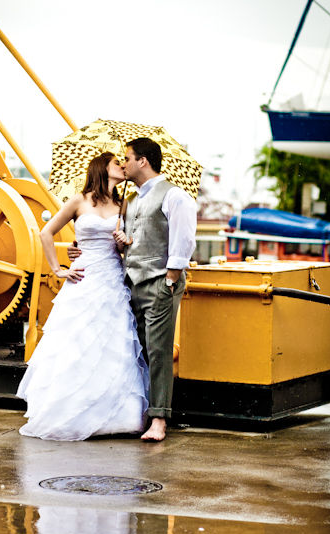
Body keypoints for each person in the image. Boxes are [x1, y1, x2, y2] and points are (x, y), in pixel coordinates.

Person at [16, 152, 148, 441]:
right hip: (83, 278)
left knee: (112, 343)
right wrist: (58, 268)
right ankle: (70, 412)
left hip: (112, 279)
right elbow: (46, 233)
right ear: (103, 168)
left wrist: (124, 243)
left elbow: (129, 251)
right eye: (118, 163)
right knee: (77, 342)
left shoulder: (123, 204)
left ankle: (116, 416)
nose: (123, 167)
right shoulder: (79, 200)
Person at [71, 138, 196, 442]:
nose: (123, 164)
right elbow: (129, 240)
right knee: (137, 350)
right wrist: (88, 247)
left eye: (127, 158)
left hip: (159, 283)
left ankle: (159, 420)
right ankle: (141, 411)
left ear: (142, 161)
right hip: (130, 283)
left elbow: (185, 238)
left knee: (158, 351)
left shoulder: (174, 195)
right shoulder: (133, 200)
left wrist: (171, 276)